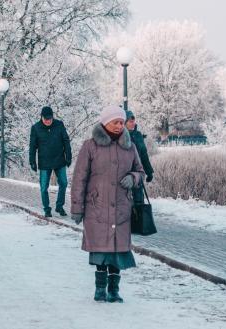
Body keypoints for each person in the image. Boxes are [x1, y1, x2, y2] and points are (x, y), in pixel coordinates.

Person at [70, 105, 145, 303]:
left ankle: (114, 291)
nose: (120, 126)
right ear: (105, 122)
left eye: (122, 122)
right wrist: (77, 208)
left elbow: (141, 171)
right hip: (97, 207)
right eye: (116, 122)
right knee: (101, 251)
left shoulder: (130, 146)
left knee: (118, 252)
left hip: (121, 208)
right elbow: (79, 178)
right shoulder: (90, 146)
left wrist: (133, 177)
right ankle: (100, 289)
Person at [28, 106, 72, 218]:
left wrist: (68, 156)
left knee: (64, 183)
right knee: (44, 187)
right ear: (41, 117)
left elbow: (66, 141)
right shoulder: (36, 128)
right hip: (44, 162)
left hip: (59, 160)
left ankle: (59, 206)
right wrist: (32, 161)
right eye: (46, 119)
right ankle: (47, 209)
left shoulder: (59, 125)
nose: (48, 121)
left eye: (50, 118)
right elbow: (32, 146)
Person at [125, 110, 154, 204]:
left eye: (134, 121)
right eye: (130, 121)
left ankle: (139, 218)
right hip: (124, 175)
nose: (133, 123)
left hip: (137, 174)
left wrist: (149, 172)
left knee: (139, 201)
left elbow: (144, 155)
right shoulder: (119, 136)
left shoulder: (138, 136)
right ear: (124, 122)